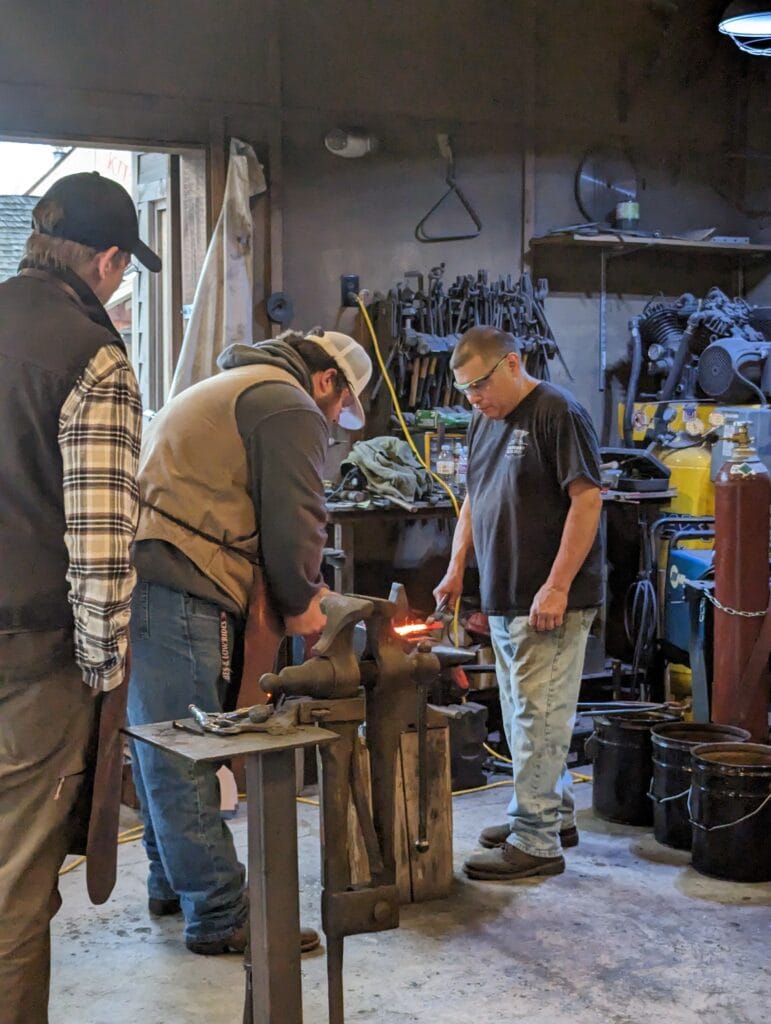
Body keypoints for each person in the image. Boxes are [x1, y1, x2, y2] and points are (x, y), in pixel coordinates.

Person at [127, 328, 372, 954]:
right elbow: (297, 521)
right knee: (190, 749)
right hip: (187, 574)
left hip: (157, 570)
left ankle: (172, 881)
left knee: (163, 740)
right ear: (328, 381)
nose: (332, 422)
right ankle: (219, 912)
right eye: (338, 409)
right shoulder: (287, 403)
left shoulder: (234, 384)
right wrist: (304, 602)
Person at [0, 172, 161, 1023]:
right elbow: (100, 555)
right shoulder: (94, 357)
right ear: (105, 261)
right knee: (15, 894)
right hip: (26, 670)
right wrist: (103, 675)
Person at [434, 326, 602, 881]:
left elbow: (587, 499)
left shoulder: (558, 412)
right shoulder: (485, 423)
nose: (473, 398)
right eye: (464, 390)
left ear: (512, 363)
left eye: (479, 384)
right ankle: (552, 815)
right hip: (505, 597)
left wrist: (556, 585)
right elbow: (473, 503)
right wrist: (458, 568)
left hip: (550, 599)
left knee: (538, 717)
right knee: (522, 715)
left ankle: (536, 841)